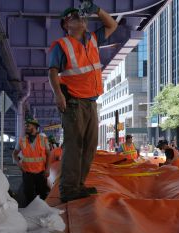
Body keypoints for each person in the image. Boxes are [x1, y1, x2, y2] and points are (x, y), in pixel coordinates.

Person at [48, 1, 118, 203]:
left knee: (89, 145)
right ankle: (68, 189)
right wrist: (58, 95)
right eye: (73, 17)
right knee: (74, 145)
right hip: (74, 103)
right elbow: (53, 71)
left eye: (80, 16)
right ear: (65, 24)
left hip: (91, 102)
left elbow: (112, 25)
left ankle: (78, 185)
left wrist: (96, 10)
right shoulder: (61, 46)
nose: (79, 18)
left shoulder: (92, 40)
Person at [12, 118, 51, 206]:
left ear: (35, 127)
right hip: (27, 173)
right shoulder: (22, 140)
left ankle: (41, 211)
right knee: (28, 195)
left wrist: (47, 169)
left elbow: (49, 154)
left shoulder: (43, 139)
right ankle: (30, 213)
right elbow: (14, 154)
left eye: (28, 126)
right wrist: (19, 165)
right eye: (26, 126)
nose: (26, 127)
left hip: (41, 173)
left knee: (42, 194)